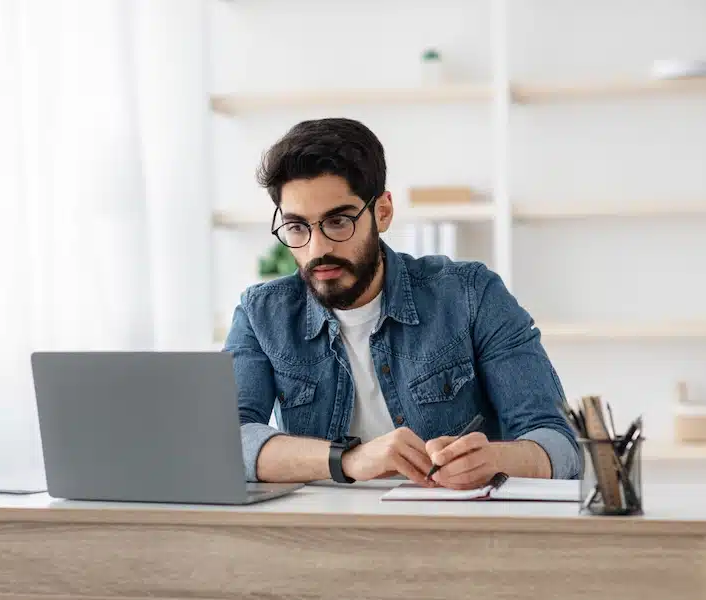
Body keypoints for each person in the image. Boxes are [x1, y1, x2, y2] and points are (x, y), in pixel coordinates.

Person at [223, 117, 580, 490]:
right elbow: (226, 442)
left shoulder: (472, 295)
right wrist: (348, 459)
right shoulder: (261, 314)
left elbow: (561, 443)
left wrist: (497, 459)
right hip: (321, 536)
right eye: (297, 227)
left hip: (456, 536)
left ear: (383, 212)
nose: (317, 249)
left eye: (339, 221)